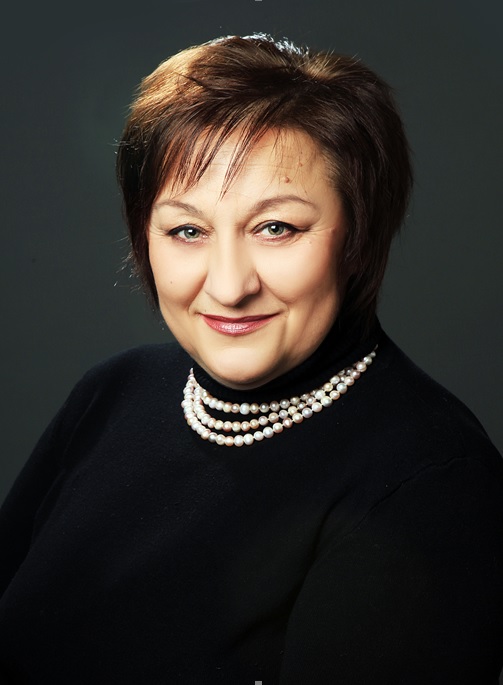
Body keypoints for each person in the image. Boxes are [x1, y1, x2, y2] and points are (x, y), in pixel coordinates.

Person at [0, 33, 502, 685]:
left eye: (276, 228)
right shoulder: (113, 394)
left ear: (357, 234)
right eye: (187, 230)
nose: (229, 285)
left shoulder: (433, 486)